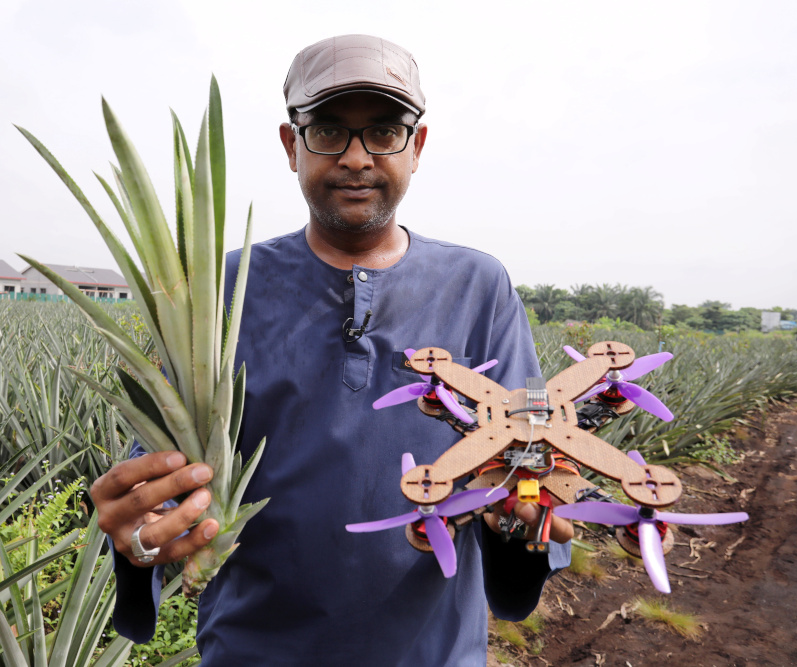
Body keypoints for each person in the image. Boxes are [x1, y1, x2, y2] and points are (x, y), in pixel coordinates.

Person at [91, 34, 573, 666]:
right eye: (327, 131)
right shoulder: (219, 290)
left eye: (383, 131)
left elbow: (520, 468)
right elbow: (155, 500)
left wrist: (523, 522)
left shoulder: (478, 288)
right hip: (254, 653)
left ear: (416, 147)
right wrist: (137, 539)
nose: (355, 157)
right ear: (292, 146)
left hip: (433, 654)